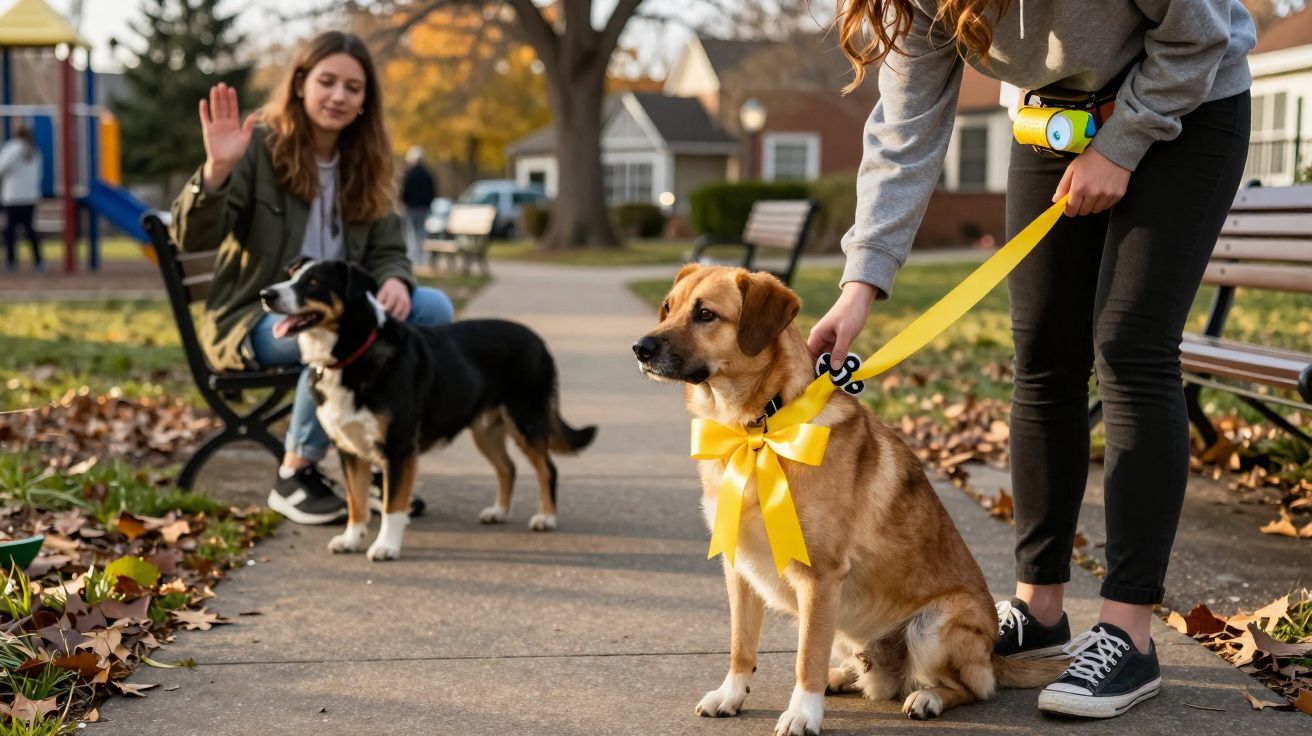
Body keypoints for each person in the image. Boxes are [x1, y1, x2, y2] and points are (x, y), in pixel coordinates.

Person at [812, 0, 1254, 718]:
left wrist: (1123, 142)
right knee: (1044, 356)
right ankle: (1039, 608)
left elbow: (1197, 32)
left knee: (1130, 347)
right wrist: (859, 287)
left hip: (1188, 96)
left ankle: (1129, 632)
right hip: (1053, 115)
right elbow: (904, 131)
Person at [171, 31, 454, 525]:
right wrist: (217, 170)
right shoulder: (257, 148)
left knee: (433, 310)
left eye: (353, 87)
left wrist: (396, 282)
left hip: (339, 312)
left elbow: (389, 249)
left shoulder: (367, 162)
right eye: (327, 81)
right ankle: (295, 473)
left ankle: (384, 450)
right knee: (332, 338)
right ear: (301, 83)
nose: (339, 96)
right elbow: (191, 237)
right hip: (252, 319)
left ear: (366, 100)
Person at [0, 124, 44, 273]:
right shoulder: (34, 151)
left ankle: (11, 262)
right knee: (29, 230)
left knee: (10, 231)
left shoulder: (12, 148)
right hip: (31, 197)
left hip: (13, 197)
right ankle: (38, 261)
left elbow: (2, 167)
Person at [400, 145, 437, 265]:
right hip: (423, 209)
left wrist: (404, 203)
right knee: (421, 233)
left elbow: (404, 192)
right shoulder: (428, 174)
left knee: (412, 234)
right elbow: (432, 192)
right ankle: (421, 260)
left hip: (411, 209)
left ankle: (413, 259)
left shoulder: (409, 174)